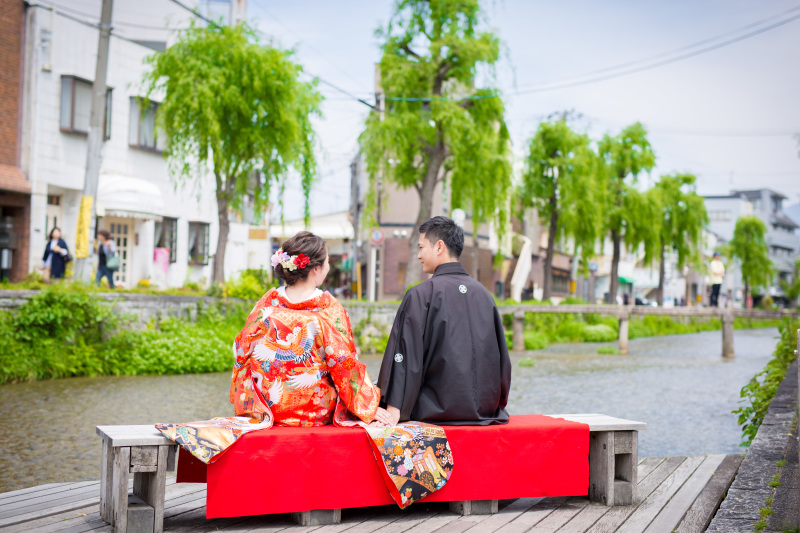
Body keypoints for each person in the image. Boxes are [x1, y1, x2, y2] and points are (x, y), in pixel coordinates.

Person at [230, 231, 381, 427]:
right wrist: (369, 406)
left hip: (267, 411)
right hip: (314, 414)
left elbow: (240, 350)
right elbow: (344, 362)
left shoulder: (265, 306)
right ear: (316, 269)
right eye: (327, 263)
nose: (328, 267)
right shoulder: (328, 309)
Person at [375, 216, 511, 427]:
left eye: (421, 247)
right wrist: (494, 405)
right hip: (484, 412)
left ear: (439, 247)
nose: (419, 255)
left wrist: (393, 409)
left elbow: (405, 355)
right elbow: (501, 359)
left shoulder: (421, 294)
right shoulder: (484, 295)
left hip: (436, 411)